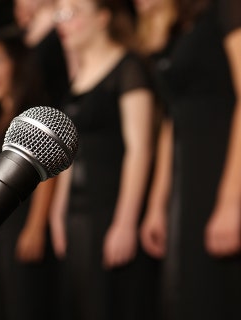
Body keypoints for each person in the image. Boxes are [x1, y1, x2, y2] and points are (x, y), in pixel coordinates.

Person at [49, 0, 158, 319]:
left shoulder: (128, 68)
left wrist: (125, 221)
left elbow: (141, 148)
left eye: (72, 13)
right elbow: (71, 153)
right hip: (77, 215)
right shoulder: (75, 82)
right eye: (59, 14)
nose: (62, 22)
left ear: (103, 17)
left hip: (110, 209)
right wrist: (58, 212)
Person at [138, 0, 241, 319]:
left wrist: (231, 201)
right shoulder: (176, 27)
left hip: (222, 168)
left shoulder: (226, 8)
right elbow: (172, 121)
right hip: (188, 179)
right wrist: (157, 204)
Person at [0, 35, 58, 320]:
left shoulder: (32, 113)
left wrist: (36, 226)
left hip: (24, 223)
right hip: (1, 230)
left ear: (17, 64)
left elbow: (48, 175)